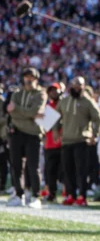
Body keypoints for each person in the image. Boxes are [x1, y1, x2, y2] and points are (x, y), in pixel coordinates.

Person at [57, 77, 100, 206]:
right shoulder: (65, 101)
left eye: (80, 85)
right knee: (68, 170)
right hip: (66, 140)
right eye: (75, 85)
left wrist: (94, 135)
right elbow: (56, 116)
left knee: (81, 170)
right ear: (71, 86)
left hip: (81, 140)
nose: (77, 87)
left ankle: (82, 196)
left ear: (84, 87)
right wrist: (56, 132)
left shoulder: (88, 102)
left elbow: (99, 119)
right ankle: (70, 195)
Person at [6, 67, 46, 208]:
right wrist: (26, 114)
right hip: (17, 133)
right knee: (16, 166)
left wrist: (17, 109)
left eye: (31, 77)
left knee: (33, 167)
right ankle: (19, 194)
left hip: (33, 133)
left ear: (36, 79)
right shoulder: (17, 93)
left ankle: (36, 196)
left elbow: (34, 111)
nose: (28, 80)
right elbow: (11, 113)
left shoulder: (40, 94)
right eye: (26, 77)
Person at [41, 83, 64, 202]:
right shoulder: (48, 106)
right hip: (50, 144)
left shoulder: (65, 105)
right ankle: (52, 193)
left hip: (63, 143)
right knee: (50, 171)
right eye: (51, 91)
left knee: (64, 171)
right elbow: (44, 126)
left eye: (55, 90)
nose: (53, 93)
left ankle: (68, 193)